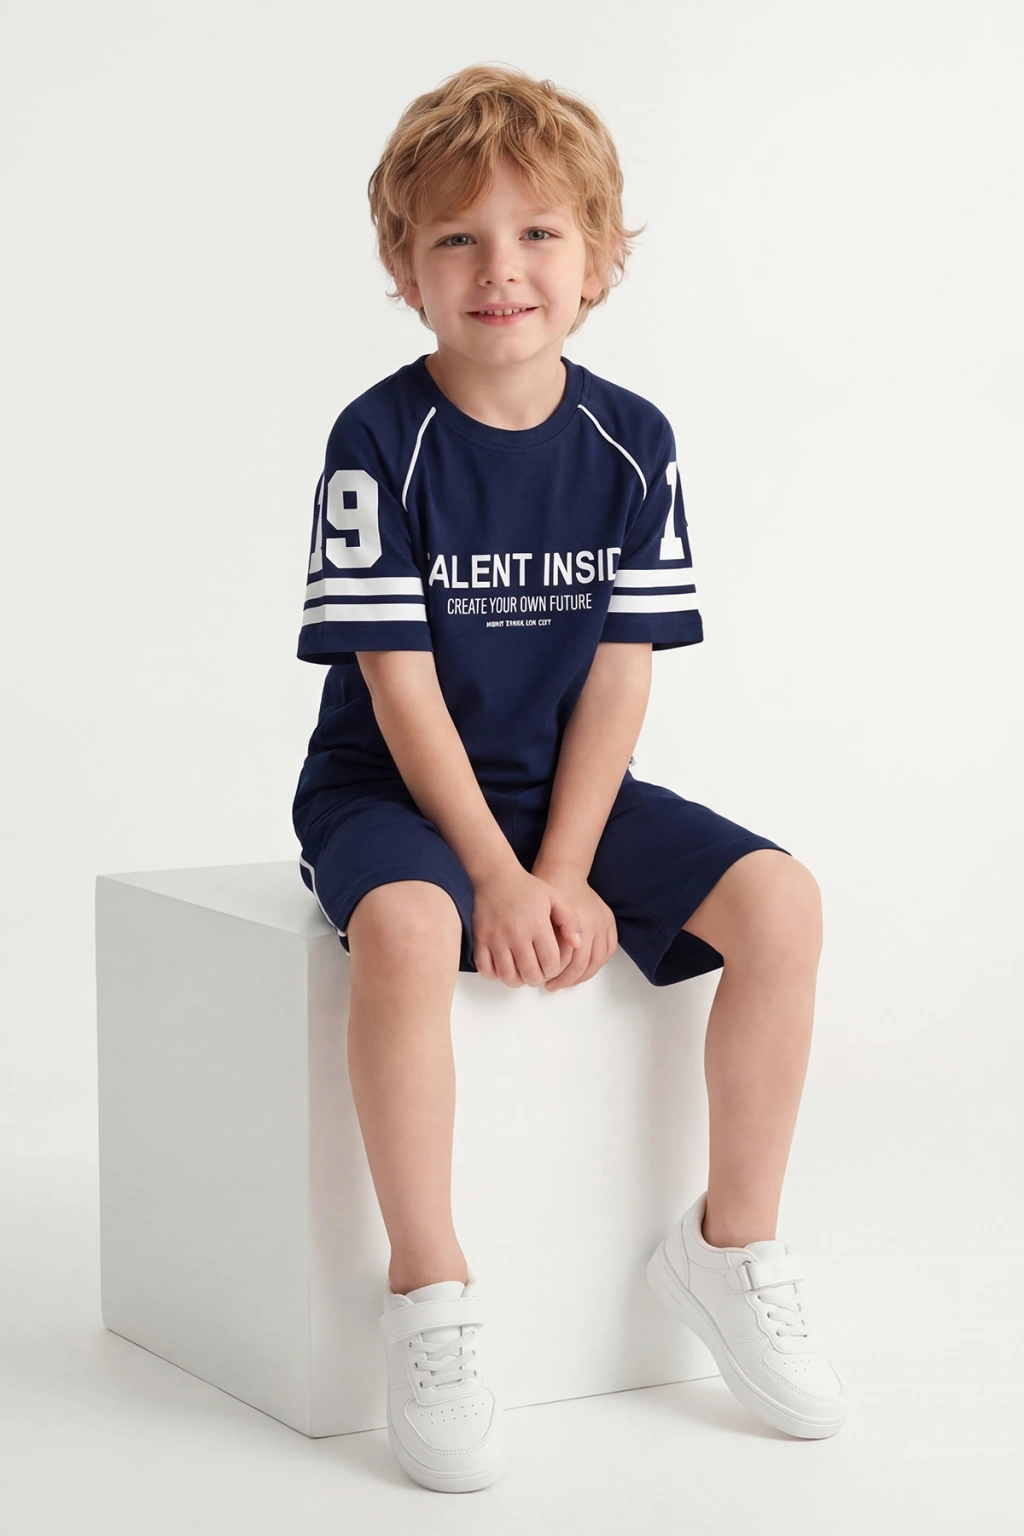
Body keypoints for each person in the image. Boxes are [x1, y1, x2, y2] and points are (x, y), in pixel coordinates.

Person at [292, 63, 847, 1494]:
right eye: (458, 238)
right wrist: (492, 876)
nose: (501, 268)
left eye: (538, 232)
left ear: (598, 259)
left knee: (781, 902)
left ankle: (730, 1246)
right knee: (406, 929)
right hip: (388, 792)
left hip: (563, 796)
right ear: (405, 270)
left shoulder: (631, 440)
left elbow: (619, 675)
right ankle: (430, 1290)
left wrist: (561, 864)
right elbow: (397, 687)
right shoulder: (378, 442)